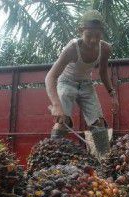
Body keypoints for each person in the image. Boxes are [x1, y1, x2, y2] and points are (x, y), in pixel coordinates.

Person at [45, 10, 119, 140]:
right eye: (89, 35)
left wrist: (112, 94)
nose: (93, 40)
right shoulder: (72, 49)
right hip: (66, 82)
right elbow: (50, 77)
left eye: (97, 35)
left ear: (102, 32)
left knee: (99, 125)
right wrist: (57, 105)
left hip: (86, 85)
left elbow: (102, 72)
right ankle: (54, 157)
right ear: (81, 31)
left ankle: (102, 158)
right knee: (63, 121)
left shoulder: (105, 48)